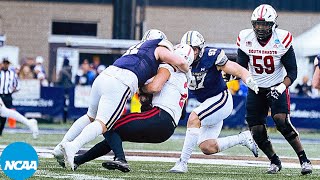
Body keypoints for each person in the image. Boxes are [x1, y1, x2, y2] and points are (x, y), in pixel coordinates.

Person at [53, 29, 190, 171]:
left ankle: (61, 147)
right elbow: (177, 64)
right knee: (106, 124)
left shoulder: (137, 50)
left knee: (91, 117)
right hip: (122, 82)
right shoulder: (161, 51)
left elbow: (153, 86)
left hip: (106, 75)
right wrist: (188, 71)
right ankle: (73, 147)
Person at [235, 4, 312, 175]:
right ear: (252, 23)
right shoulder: (245, 37)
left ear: (273, 24)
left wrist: (281, 86)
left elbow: (292, 71)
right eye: (257, 24)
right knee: (256, 129)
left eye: (265, 24)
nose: (260, 28)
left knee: (281, 121)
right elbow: (240, 67)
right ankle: (274, 161)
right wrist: (239, 77)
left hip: (277, 86)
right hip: (256, 88)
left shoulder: (282, 39)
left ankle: (304, 160)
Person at [169, 30, 259, 173]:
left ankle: (182, 163)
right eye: (187, 48)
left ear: (201, 48)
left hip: (221, 99)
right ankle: (243, 138)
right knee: (207, 147)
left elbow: (237, 69)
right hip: (207, 103)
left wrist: (248, 79)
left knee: (194, 118)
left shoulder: (211, 56)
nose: (190, 52)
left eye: (194, 49)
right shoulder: (179, 60)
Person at [0, 58, 39, 139]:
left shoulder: (11, 74)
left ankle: (30, 123)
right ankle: (29, 123)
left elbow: (17, 85)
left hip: (7, 95)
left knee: (4, 112)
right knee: (4, 112)